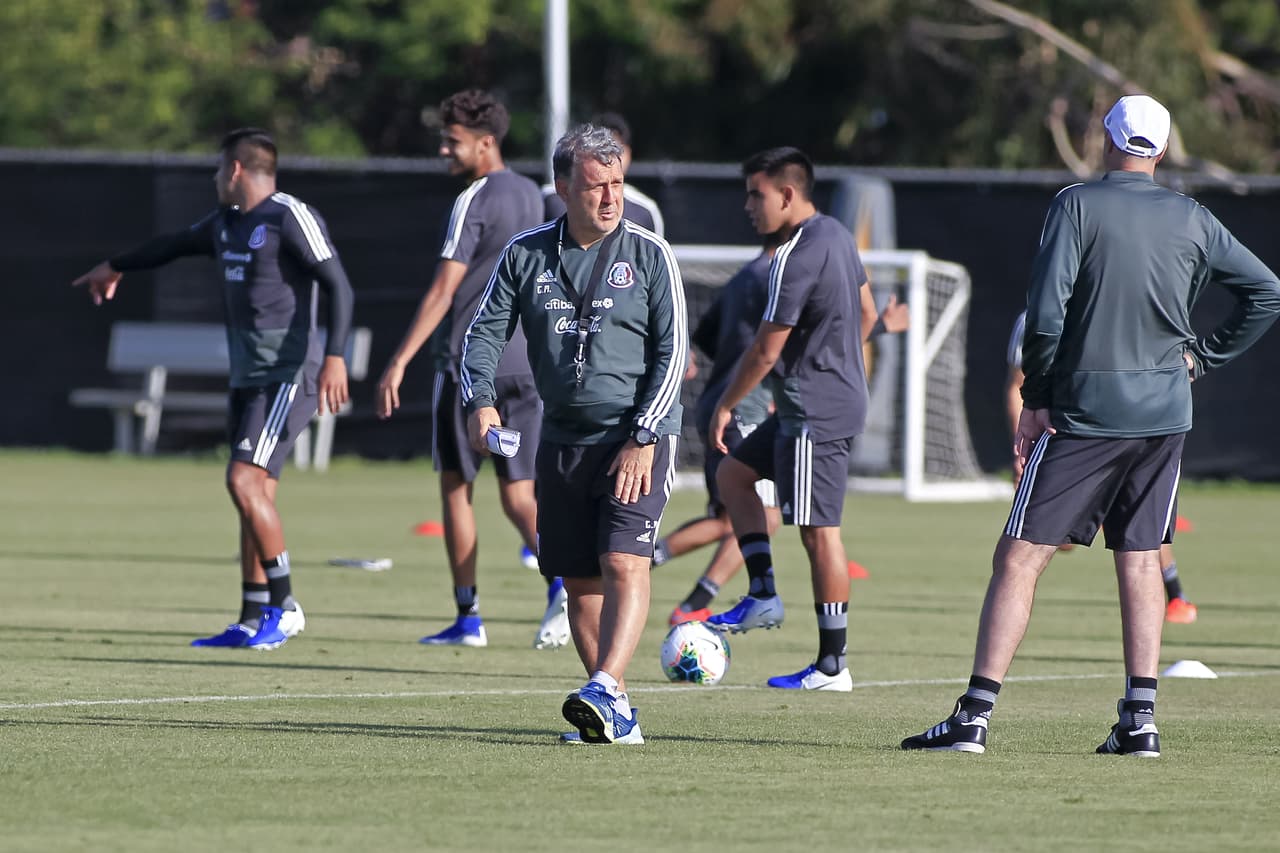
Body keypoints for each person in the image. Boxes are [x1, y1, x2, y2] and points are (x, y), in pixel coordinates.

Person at [902, 95, 1280, 757]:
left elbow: (1046, 311)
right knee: (1141, 557)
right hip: (1164, 415)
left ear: (1107, 140)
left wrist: (1035, 396)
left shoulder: (1076, 204)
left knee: (1020, 556)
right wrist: (1200, 358)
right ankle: (1140, 720)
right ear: (1162, 150)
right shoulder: (1193, 217)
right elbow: (1266, 292)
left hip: (1085, 411)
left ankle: (973, 717)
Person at [72, 128, 356, 650]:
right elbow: (173, 245)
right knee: (254, 496)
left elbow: (338, 284)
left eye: (219, 168)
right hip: (248, 377)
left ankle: (285, 606)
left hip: (288, 372)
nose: (215, 178)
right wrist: (115, 265)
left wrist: (336, 356)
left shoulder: (289, 216)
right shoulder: (227, 223)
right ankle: (251, 618)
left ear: (236, 170)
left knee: (243, 482)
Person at [461, 124, 687, 744]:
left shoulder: (650, 253)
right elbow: (482, 335)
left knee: (623, 559)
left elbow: (674, 352)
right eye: (596, 186)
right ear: (563, 187)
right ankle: (616, 712)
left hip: (636, 437)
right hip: (559, 438)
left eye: (618, 183)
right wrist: (481, 404)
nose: (611, 198)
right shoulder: (525, 254)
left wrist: (644, 436)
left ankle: (606, 687)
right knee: (579, 579)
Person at [373, 89, 564, 650]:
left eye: (451, 140)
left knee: (457, 490)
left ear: (485, 143)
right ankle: (564, 585)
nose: (443, 150)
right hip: (524, 366)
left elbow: (443, 289)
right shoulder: (531, 193)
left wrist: (399, 360)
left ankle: (468, 618)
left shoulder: (473, 199)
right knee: (520, 494)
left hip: (468, 369)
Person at [704, 146, 880, 693]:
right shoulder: (837, 234)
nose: (748, 207)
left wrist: (726, 404)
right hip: (822, 401)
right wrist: (833, 364)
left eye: (756, 195)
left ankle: (832, 665)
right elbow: (868, 314)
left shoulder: (795, 255)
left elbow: (764, 350)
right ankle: (762, 594)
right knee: (734, 475)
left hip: (812, 413)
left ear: (786, 194)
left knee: (819, 534)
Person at [664, 235, 908, 626]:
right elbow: (812, 344)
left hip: (722, 402)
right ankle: (684, 597)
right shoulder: (779, 277)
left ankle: (673, 589)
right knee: (765, 516)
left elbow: (708, 340)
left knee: (733, 513)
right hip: (744, 408)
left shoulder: (744, 277)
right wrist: (881, 326)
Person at [1005, 310, 1198, 623]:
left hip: (1120, 429)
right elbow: (1017, 384)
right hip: (1063, 436)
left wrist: (1198, 361)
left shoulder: (1116, 308)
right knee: (1045, 544)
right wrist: (1022, 448)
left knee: (1141, 531)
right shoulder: (1034, 318)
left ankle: (1176, 594)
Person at [542, 112, 665, 236]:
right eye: (596, 187)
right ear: (563, 190)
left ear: (628, 154)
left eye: (615, 149)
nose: (609, 199)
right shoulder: (549, 200)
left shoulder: (645, 210)